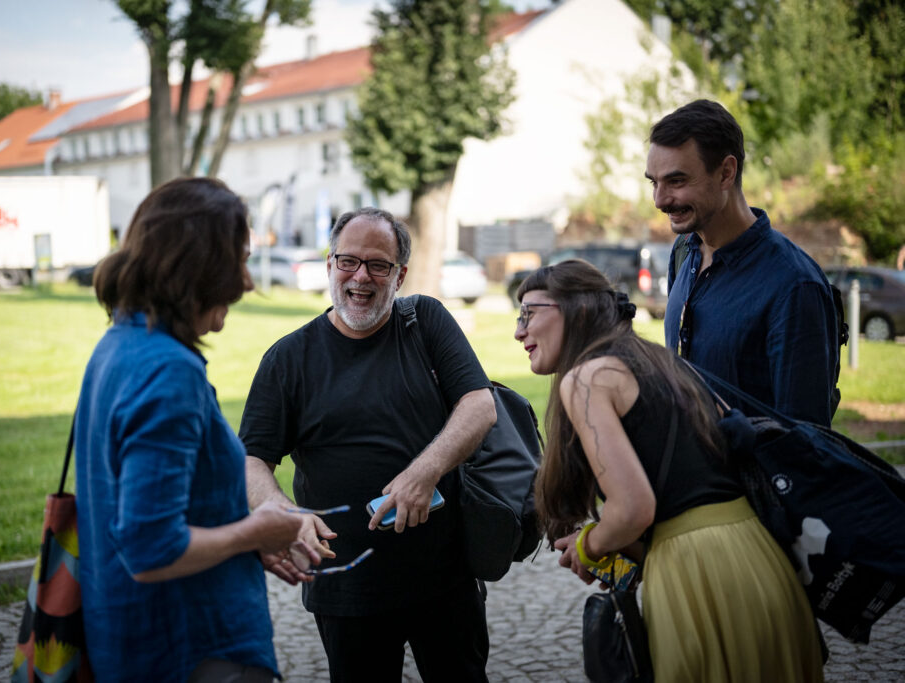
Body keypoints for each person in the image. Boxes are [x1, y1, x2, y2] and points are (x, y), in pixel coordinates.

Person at [515, 259, 824, 681]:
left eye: (528, 313)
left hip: (698, 574)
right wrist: (619, 547)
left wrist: (589, 545)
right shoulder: (662, 360)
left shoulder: (587, 378)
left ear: (576, 309)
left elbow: (633, 510)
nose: (519, 331)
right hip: (761, 562)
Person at [239, 207, 497, 683]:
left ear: (399, 275)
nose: (361, 276)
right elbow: (252, 460)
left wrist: (425, 473)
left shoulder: (427, 322)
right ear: (330, 264)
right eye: (348, 261)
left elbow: (479, 406)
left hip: (443, 577)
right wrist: (284, 513)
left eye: (378, 265)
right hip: (347, 588)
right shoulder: (288, 359)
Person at [75, 177, 315, 682]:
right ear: (198, 266)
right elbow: (150, 549)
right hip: (191, 649)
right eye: (239, 261)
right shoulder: (168, 370)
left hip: (131, 639)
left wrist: (242, 536)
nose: (248, 282)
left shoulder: (118, 344)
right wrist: (256, 529)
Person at [648, 99, 840, 425]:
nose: (660, 200)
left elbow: (805, 440)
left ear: (726, 172)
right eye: (654, 182)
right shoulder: (683, 252)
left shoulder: (794, 284)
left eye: (676, 181)